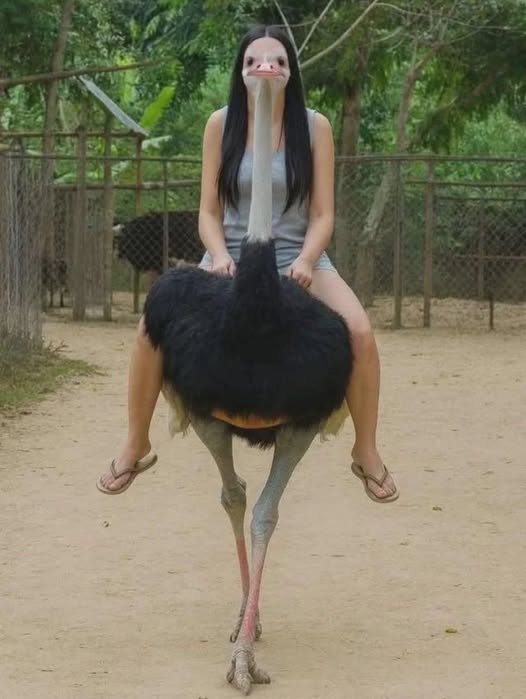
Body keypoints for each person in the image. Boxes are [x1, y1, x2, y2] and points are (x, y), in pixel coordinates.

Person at [97, 25, 399, 503]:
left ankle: (366, 449)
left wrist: (306, 260)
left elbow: (323, 214)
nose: (266, 67)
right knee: (148, 330)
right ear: (241, 72)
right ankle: (136, 442)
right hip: (230, 259)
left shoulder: (314, 127)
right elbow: (208, 212)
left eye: (277, 60)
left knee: (360, 333)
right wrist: (218, 255)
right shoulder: (221, 125)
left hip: (297, 257)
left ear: (290, 72)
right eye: (255, 60)